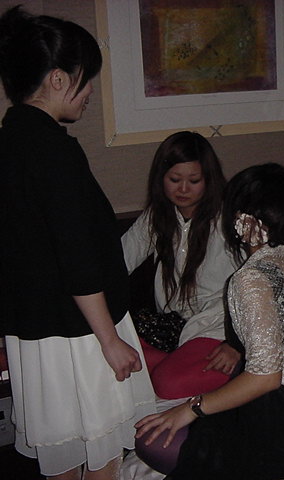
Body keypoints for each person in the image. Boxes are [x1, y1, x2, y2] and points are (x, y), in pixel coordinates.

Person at [0, 6, 155, 480]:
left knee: (64, 454)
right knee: (100, 455)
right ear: (58, 79)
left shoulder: (8, 142)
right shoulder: (54, 149)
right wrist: (110, 340)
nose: (89, 93)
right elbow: (77, 254)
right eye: (86, 80)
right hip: (80, 332)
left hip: (34, 333)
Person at [134, 163, 284, 480]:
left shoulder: (251, 279)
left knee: (150, 441)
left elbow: (265, 379)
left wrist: (192, 407)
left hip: (281, 419)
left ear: (244, 220)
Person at [121, 131, 239, 400]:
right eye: (175, 180)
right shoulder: (157, 216)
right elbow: (118, 263)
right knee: (109, 351)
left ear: (209, 180)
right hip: (173, 327)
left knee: (167, 384)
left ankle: (243, 368)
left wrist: (237, 344)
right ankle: (175, 363)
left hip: (218, 327)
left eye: (194, 181)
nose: (183, 189)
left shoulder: (229, 220)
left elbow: (265, 279)